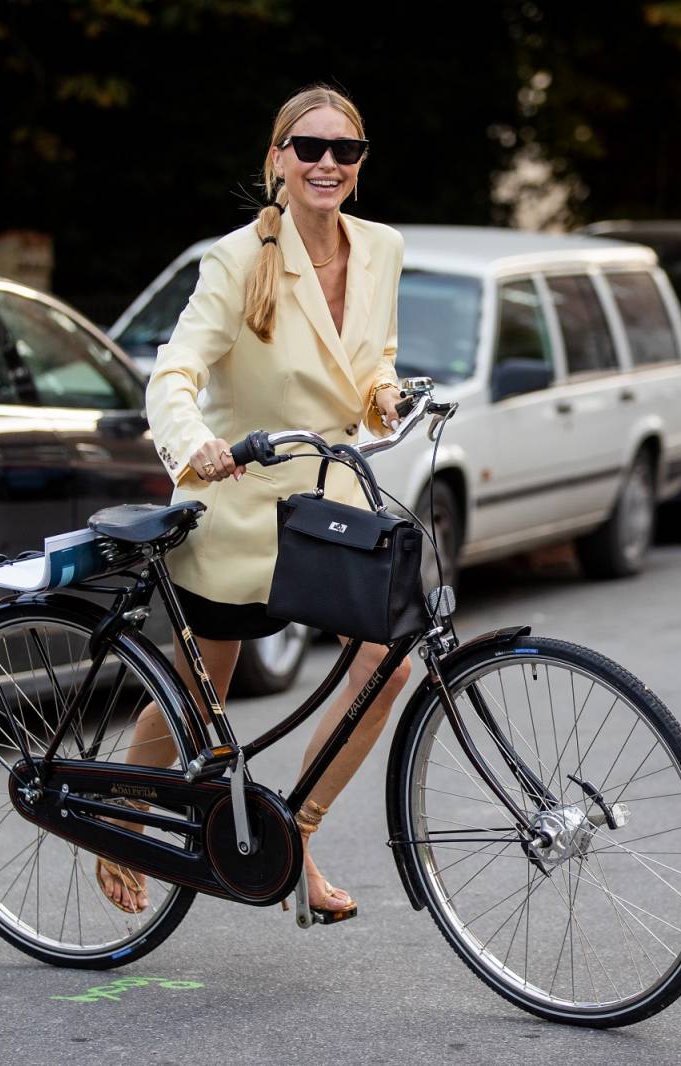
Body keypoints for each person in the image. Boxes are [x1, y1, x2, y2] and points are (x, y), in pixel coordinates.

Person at [94, 85, 410, 923]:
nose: (328, 164)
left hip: (331, 497)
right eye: (309, 148)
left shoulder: (382, 249)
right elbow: (175, 371)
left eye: (346, 150)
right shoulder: (238, 260)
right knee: (201, 696)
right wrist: (190, 441)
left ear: (360, 163)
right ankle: (123, 811)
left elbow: (371, 358)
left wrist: (385, 398)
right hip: (237, 502)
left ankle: (296, 831)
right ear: (278, 159)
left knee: (390, 661)